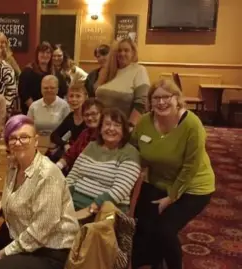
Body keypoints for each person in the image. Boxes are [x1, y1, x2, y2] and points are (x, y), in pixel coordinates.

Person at [131, 79, 215, 269]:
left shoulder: (192, 125)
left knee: (165, 230)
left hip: (193, 187)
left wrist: (171, 197)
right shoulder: (144, 122)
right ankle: (153, 264)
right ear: (150, 101)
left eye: (166, 97)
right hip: (158, 181)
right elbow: (133, 148)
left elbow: (190, 168)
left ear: (177, 99)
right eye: (156, 98)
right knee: (141, 224)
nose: (161, 102)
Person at [0, 115, 79, 269]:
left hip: (51, 250)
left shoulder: (47, 174)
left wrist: (5, 252)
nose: (18, 142)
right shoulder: (14, 165)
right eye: (13, 138)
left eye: (24, 137)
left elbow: (40, 231)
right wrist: (1, 204)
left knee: (0, 266)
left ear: (36, 141)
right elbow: (21, 196)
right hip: (26, 239)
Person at [66, 108, 141, 214]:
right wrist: (64, 197)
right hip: (73, 204)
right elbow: (73, 176)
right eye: (107, 124)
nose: (111, 128)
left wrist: (92, 208)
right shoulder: (91, 146)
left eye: (117, 125)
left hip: (104, 211)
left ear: (124, 131)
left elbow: (120, 190)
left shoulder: (130, 153)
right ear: (100, 128)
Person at [96, 39, 149, 127]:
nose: (122, 53)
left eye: (126, 50)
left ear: (133, 53)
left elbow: (141, 104)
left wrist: (131, 126)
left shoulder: (139, 70)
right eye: (119, 51)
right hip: (101, 126)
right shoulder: (108, 71)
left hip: (123, 127)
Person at [18, 42, 69, 114]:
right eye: (42, 52)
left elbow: (63, 92)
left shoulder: (56, 72)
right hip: (33, 111)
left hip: (53, 112)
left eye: (48, 53)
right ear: (37, 54)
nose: (45, 55)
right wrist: (37, 110)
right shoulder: (27, 72)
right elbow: (24, 94)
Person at [56, 98, 104, 173]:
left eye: (94, 114)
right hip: (75, 174)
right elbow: (70, 155)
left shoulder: (106, 136)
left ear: (102, 114)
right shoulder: (85, 133)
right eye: (86, 115)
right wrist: (57, 167)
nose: (90, 118)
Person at [47, 81, 87, 162]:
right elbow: (54, 135)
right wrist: (65, 144)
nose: (74, 99)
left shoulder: (89, 117)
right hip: (71, 153)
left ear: (85, 98)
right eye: (71, 96)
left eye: (78, 96)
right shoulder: (71, 116)